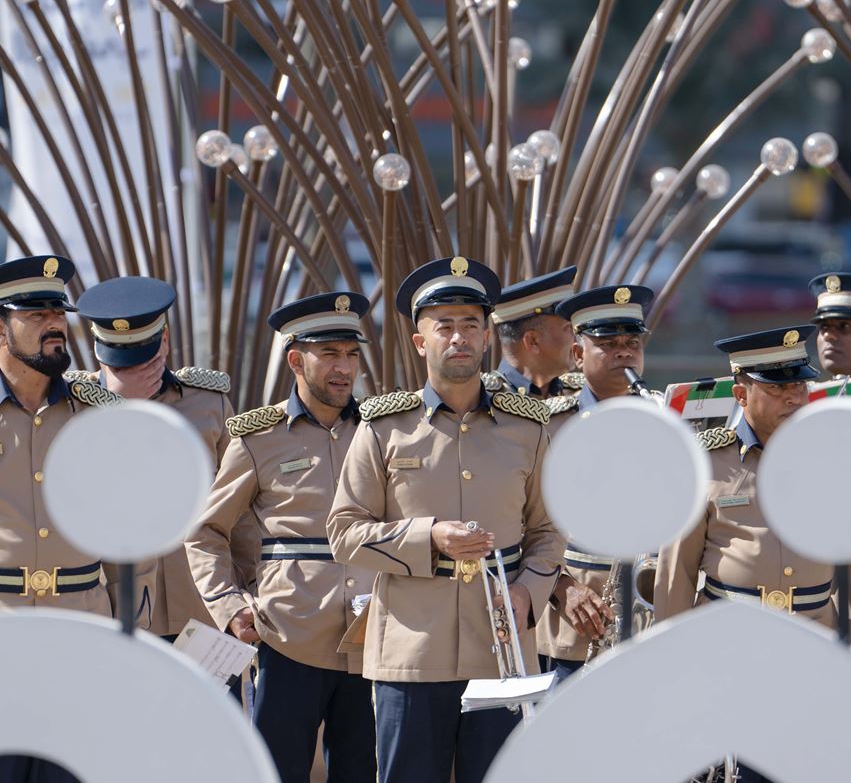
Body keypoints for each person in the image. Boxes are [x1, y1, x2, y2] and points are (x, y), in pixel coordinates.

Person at [327, 257, 564, 783]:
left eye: (470, 325)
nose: (458, 337)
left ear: (486, 339)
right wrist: (428, 537)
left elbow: (548, 531)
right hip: (411, 653)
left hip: (501, 652)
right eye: (444, 326)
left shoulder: (528, 429)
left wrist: (529, 593)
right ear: (420, 342)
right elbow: (344, 531)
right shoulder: (384, 428)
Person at [655, 324, 851, 783]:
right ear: (740, 392)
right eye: (777, 388)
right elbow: (675, 576)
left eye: (799, 385)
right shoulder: (703, 462)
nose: (794, 398)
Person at [0, 257, 140, 783]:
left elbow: (127, 538)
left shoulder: (101, 414)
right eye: (38, 314)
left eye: (58, 312)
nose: (55, 324)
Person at [186, 291, 375, 783]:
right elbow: (205, 532)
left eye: (351, 354)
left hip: (374, 635)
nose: (344, 368)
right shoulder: (257, 438)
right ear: (296, 360)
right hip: (289, 637)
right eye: (329, 354)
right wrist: (230, 607)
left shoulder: (382, 431)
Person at [75, 276, 252, 640]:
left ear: (165, 340)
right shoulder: (77, 411)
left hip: (202, 608)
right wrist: (122, 409)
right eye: (122, 365)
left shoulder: (209, 403)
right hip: (118, 610)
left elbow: (240, 510)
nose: (137, 373)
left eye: (145, 358)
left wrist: (245, 593)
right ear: (99, 352)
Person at [534, 285, 657, 682]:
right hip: (574, 621)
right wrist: (562, 588)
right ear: (576, 355)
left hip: (649, 624)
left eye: (632, 342)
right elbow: (518, 522)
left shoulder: (667, 422)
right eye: (607, 342)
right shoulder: (545, 427)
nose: (624, 351)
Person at [483, 266, 583, 398]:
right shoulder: (483, 401)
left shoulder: (581, 396)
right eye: (568, 329)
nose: (576, 337)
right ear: (532, 341)